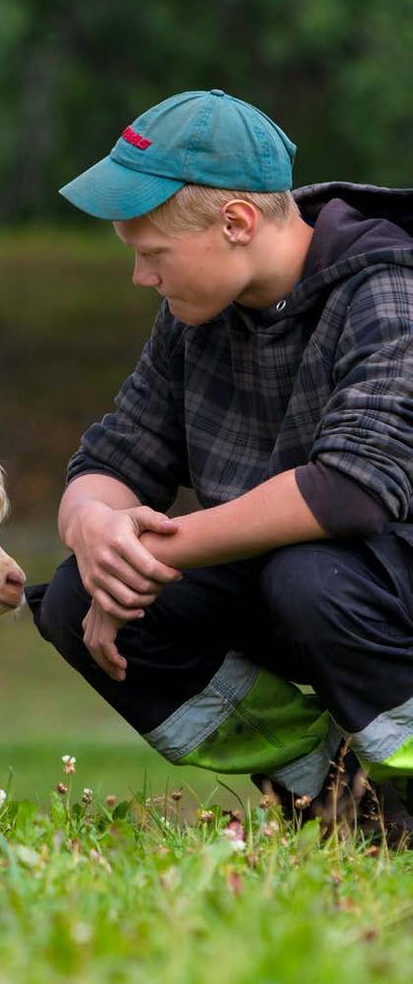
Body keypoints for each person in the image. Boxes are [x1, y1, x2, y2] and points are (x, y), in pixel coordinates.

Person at [26, 89, 413, 840]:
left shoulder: (390, 286)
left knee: (308, 578)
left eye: (151, 255)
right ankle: (340, 800)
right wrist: (98, 532)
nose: (142, 277)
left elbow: (352, 489)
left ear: (235, 223)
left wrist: (149, 549)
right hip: (297, 583)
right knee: (78, 600)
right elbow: (115, 452)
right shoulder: (195, 315)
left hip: (375, 584)